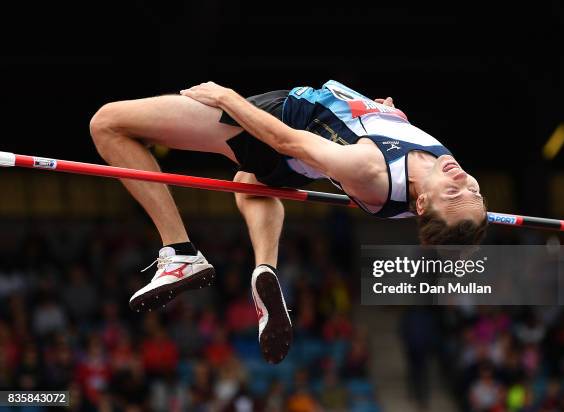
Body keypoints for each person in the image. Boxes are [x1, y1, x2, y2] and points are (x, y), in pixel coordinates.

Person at [89, 80, 487, 363]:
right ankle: (265, 267)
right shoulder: (446, 170)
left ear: (421, 206)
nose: (463, 183)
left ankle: (178, 251)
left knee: (108, 124)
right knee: (248, 185)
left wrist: (227, 98)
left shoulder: (369, 169)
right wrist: (383, 113)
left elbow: (287, 141)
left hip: (275, 124)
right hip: (298, 154)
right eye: (474, 192)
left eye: (455, 194)